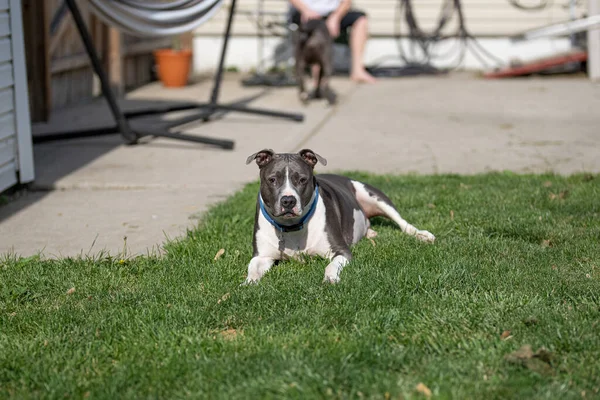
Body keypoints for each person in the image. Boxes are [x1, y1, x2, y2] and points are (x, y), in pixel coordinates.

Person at [289, 0, 377, 84]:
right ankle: (317, 79)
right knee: (317, 32)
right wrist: (305, 10)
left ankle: (357, 71)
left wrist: (336, 17)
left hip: (333, 13)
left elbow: (347, 2)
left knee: (361, 19)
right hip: (306, 13)